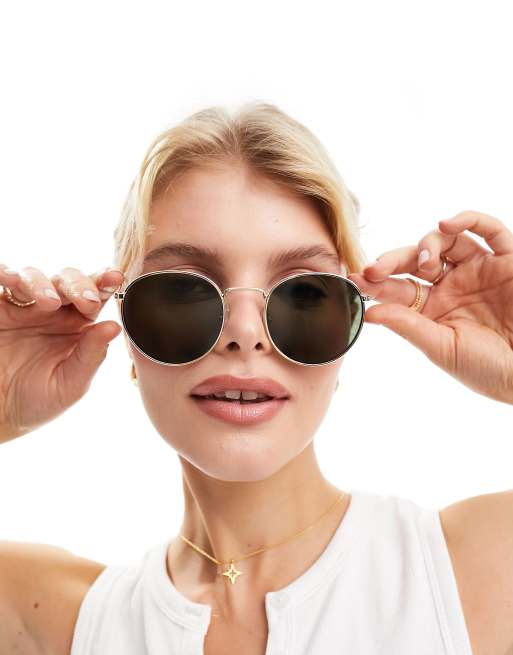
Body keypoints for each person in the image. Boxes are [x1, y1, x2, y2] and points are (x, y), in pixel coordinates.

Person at [1, 102, 512, 655]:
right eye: (184, 289)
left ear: (348, 324)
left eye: (303, 293)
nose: (246, 333)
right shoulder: (52, 618)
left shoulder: (478, 570)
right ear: (126, 327)